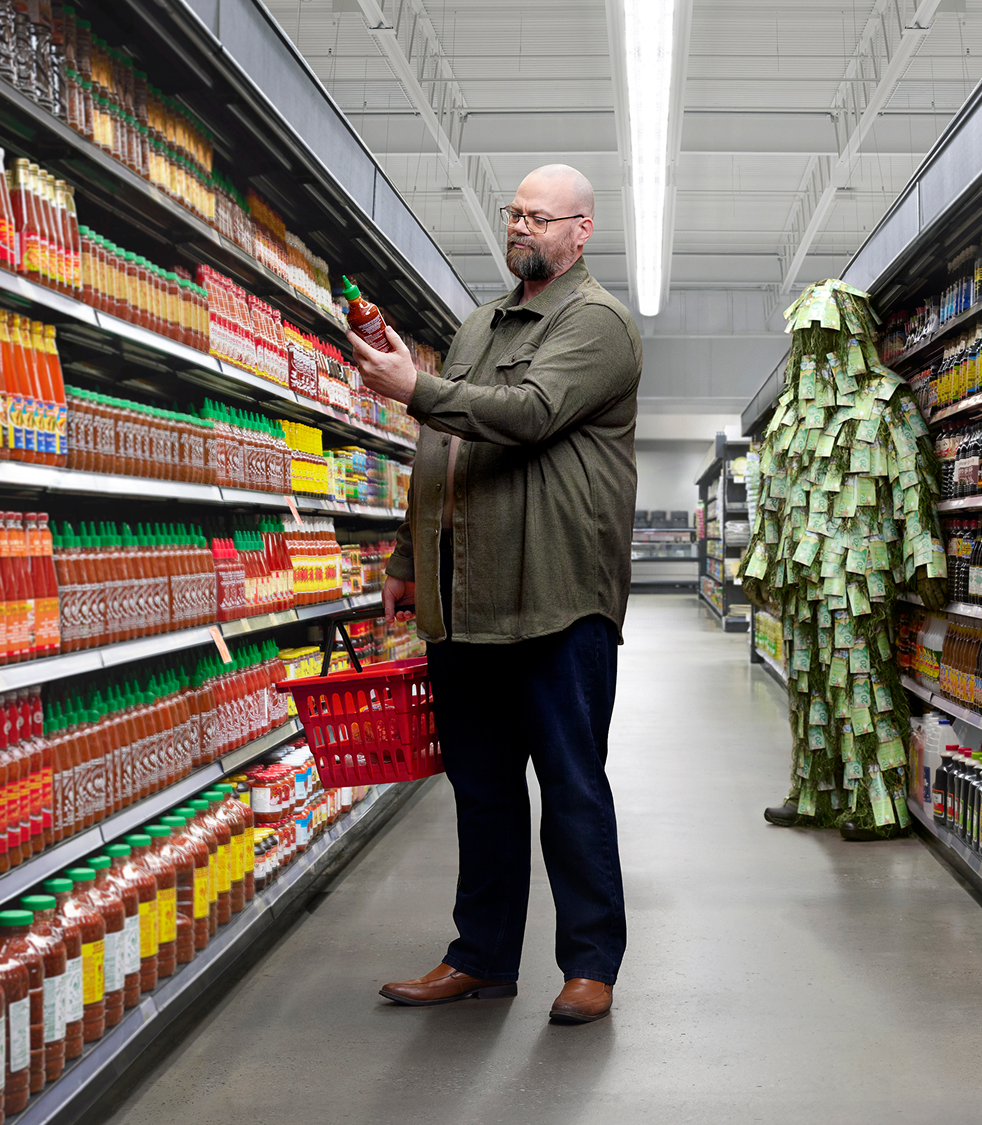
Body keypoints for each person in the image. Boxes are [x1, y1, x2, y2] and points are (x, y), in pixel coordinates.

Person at [351, 164, 642, 1025]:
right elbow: (441, 443)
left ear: (581, 229)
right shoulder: (478, 323)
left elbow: (527, 412)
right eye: (513, 214)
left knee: (570, 786)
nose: (520, 228)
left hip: (554, 597)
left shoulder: (599, 323)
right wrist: (407, 554)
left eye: (539, 217)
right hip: (465, 598)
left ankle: (590, 962)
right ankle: (481, 955)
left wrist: (417, 387)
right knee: (480, 791)